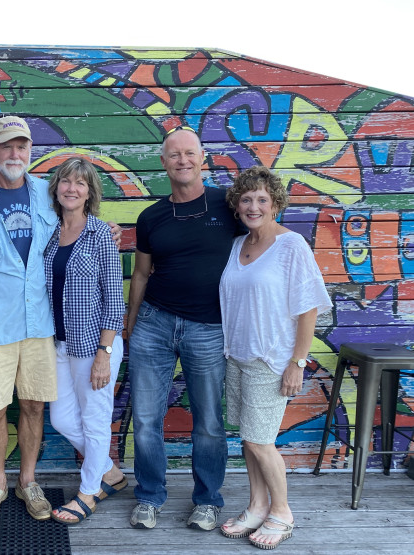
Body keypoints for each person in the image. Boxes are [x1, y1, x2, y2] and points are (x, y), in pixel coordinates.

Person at [0, 116, 120, 524]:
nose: (14, 154)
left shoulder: (48, 193)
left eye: (21, 147)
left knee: (35, 408)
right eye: (6, 146)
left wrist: (105, 230)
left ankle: (28, 481)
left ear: (30, 152)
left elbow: (81, 227)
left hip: (42, 328)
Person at [126, 125, 244, 531]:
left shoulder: (228, 207)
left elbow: (262, 246)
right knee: (145, 418)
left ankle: (208, 500)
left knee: (209, 421)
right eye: (174, 154)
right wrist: (130, 323)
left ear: (202, 158)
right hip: (154, 325)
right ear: (163, 162)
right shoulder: (151, 216)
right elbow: (141, 274)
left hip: (209, 328)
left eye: (189, 153)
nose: (182, 160)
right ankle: (149, 496)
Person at [218, 166, 331, 549]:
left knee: (262, 441)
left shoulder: (291, 245)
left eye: (262, 200)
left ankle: (281, 512)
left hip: (272, 360)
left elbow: (309, 308)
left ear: (275, 204)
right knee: (249, 439)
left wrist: (297, 362)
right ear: (237, 205)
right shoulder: (237, 246)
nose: (253, 206)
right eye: (246, 199)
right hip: (238, 356)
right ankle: (256, 505)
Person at [44, 158, 127, 524]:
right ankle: (110, 471)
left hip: (95, 345)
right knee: (62, 419)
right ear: (56, 188)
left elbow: (115, 300)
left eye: (80, 183)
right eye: (65, 182)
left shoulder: (100, 236)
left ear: (90, 192)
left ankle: (88, 492)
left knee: (95, 421)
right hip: (59, 345)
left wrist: (104, 354)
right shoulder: (50, 232)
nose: (72, 188)